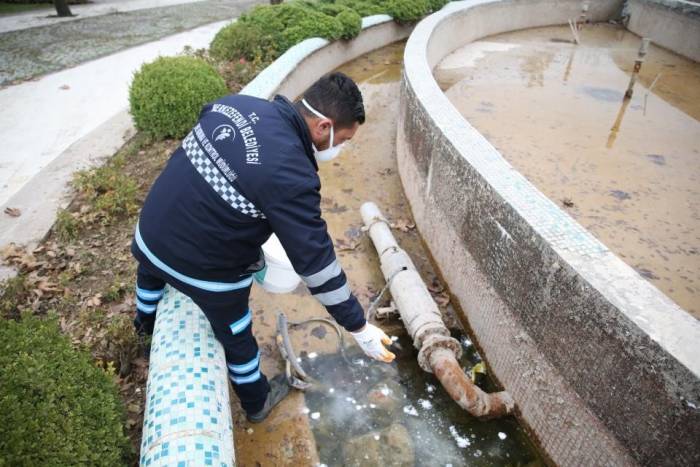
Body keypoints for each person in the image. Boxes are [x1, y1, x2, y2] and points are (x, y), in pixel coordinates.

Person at [131, 72, 395, 423]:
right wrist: (358, 327)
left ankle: (142, 327)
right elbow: (316, 264)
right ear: (323, 127)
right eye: (343, 139)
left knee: (149, 275)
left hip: (148, 236)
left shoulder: (235, 105)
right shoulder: (292, 173)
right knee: (237, 332)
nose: (339, 147)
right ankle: (256, 402)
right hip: (202, 269)